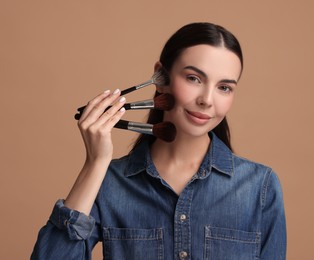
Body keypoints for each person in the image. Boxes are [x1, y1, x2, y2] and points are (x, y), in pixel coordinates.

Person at [31, 22, 287, 260]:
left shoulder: (260, 187)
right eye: (194, 78)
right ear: (161, 78)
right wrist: (95, 163)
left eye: (224, 87)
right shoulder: (109, 184)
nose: (207, 100)